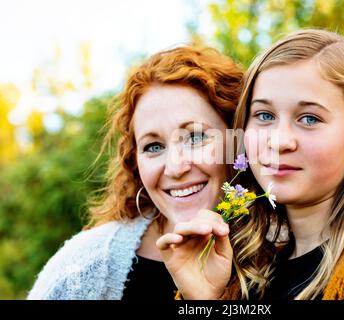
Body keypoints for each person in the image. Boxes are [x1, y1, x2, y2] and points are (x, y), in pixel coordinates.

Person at [157, 29, 344, 300]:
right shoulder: (248, 267)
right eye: (264, 116)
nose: (279, 141)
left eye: (309, 118)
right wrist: (205, 299)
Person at [27, 46, 243, 300]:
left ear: (237, 138)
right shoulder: (80, 271)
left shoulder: (288, 253)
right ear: (135, 162)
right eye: (154, 146)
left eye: (195, 137)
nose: (175, 167)